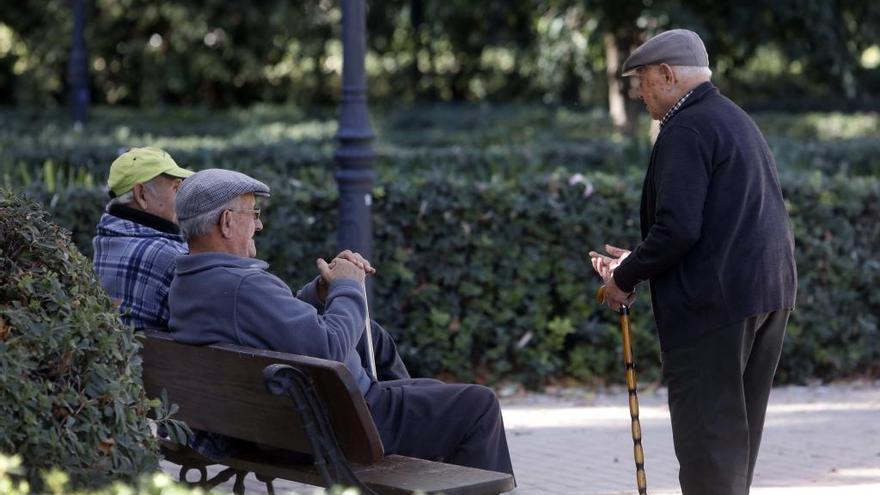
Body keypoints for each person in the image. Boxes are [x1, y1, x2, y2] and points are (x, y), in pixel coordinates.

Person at [167, 168, 514, 476]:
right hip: (337, 426)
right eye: (252, 213)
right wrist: (349, 285)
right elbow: (329, 348)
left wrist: (320, 291)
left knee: (431, 392)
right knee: (478, 405)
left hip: (279, 424)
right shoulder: (242, 285)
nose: (259, 223)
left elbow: (272, 322)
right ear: (226, 222)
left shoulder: (191, 281)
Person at [588, 29, 796, 495]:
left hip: (715, 305)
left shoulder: (686, 128)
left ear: (667, 75)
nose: (638, 92)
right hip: (765, 293)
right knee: (733, 443)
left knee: (708, 446)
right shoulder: (731, 117)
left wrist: (624, 275)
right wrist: (641, 259)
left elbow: (679, 229)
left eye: (642, 80)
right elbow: (715, 221)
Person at [92, 146, 193, 330]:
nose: (183, 197)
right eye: (176, 187)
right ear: (141, 194)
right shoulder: (172, 258)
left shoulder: (102, 241)